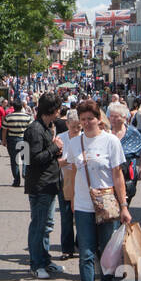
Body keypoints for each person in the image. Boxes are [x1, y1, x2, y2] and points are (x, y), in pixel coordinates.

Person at [66, 99, 132, 281]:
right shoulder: (76, 143)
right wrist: (73, 198)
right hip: (84, 204)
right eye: (82, 119)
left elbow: (117, 175)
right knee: (85, 252)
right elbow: (74, 171)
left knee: (107, 250)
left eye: (90, 119)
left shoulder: (111, 142)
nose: (86, 123)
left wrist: (124, 205)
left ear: (98, 118)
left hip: (106, 204)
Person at [23, 92, 66, 279]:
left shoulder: (47, 128)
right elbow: (33, 158)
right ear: (52, 110)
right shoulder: (35, 130)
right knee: (39, 225)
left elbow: (44, 155)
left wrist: (55, 152)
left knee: (47, 225)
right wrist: (54, 148)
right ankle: (36, 264)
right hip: (40, 185)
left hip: (49, 183)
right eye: (57, 109)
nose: (59, 113)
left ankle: (45, 260)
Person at [108, 101, 141, 203]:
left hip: (128, 173)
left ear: (124, 117)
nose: (112, 119)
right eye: (111, 116)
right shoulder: (106, 132)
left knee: (125, 200)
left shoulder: (132, 132)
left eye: (116, 116)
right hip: (109, 172)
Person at [56, 109, 83, 259]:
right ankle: (67, 249)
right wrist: (66, 161)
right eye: (73, 126)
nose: (76, 130)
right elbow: (55, 162)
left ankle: (80, 243)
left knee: (81, 214)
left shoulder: (85, 137)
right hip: (65, 180)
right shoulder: (60, 138)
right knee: (66, 215)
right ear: (67, 124)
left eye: (79, 127)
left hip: (82, 181)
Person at [4, 99, 34, 187]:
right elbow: (31, 129)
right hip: (25, 139)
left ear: (13, 107)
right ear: (21, 107)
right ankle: (25, 172)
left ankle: (16, 180)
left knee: (14, 160)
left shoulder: (8, 117)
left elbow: (4, 130)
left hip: (12, 140)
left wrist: (3, 140)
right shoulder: (27, 117)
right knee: (26, 158)